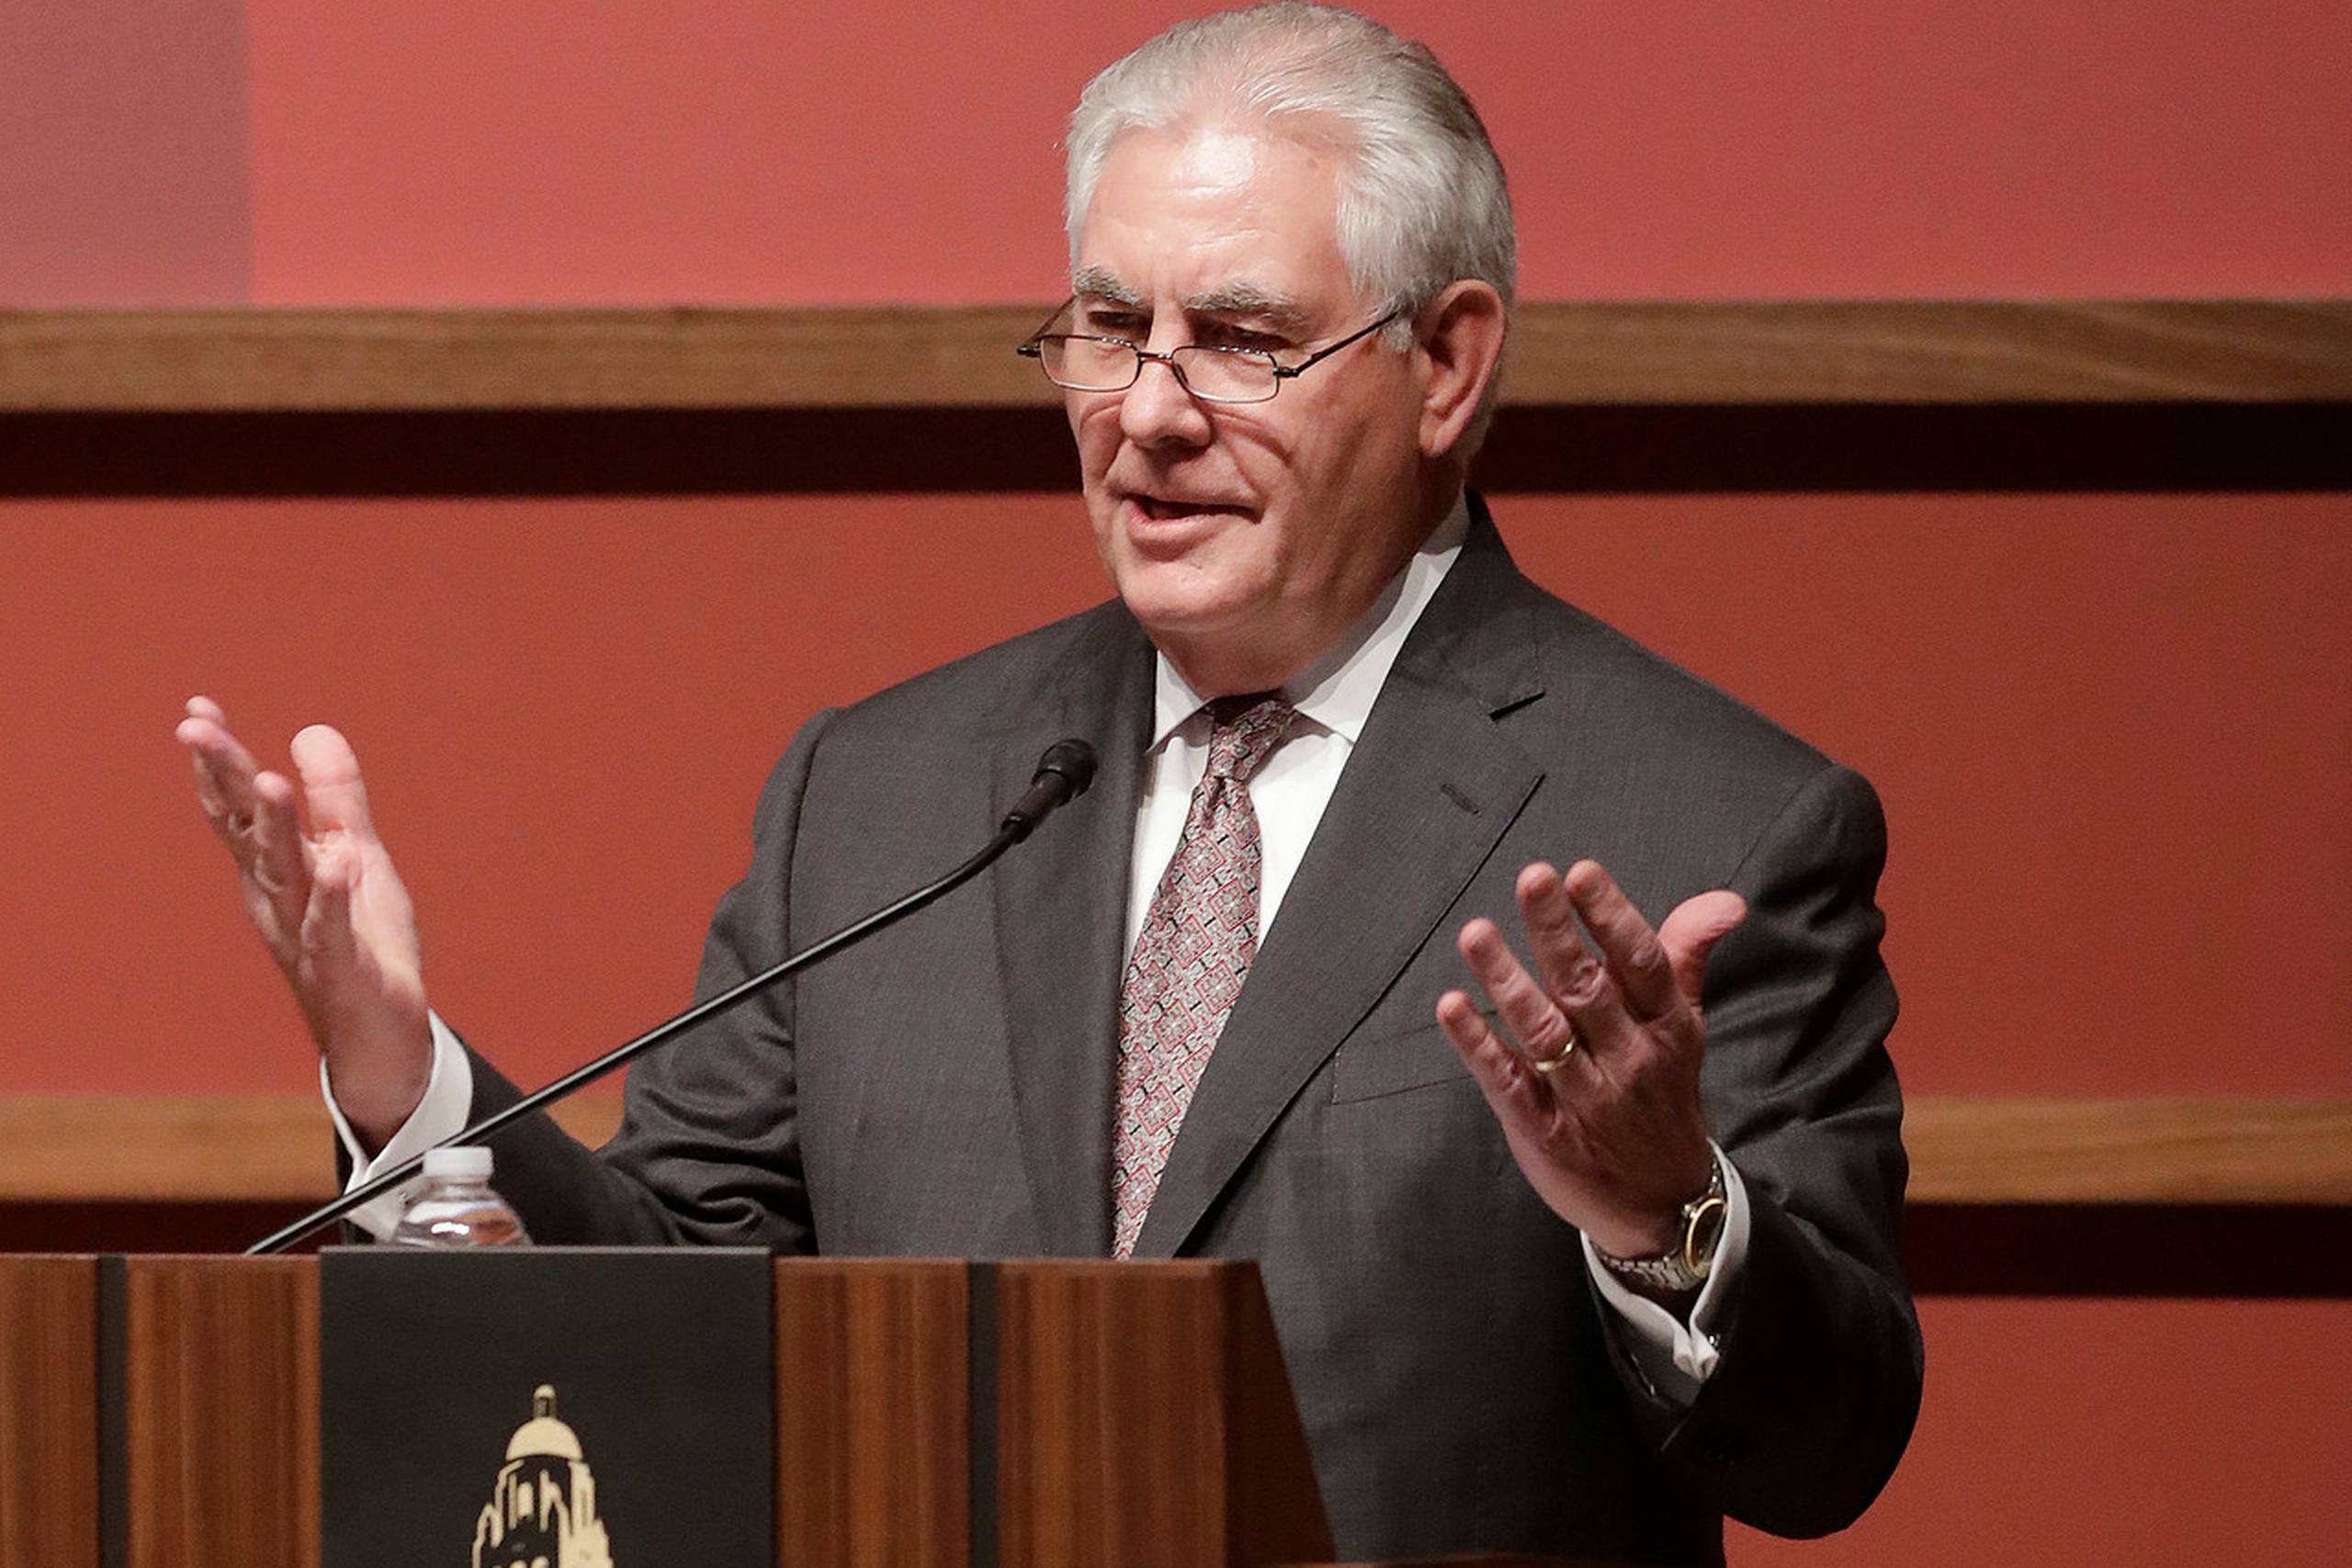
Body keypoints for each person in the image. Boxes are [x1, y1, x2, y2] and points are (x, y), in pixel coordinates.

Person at [177, 6, 1921, 1561]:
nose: (1148, 413)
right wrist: (402, 1072)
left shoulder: (1706, 820)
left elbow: (1830, 1449)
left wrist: (1665, 1211)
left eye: (1241, 338)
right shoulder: (879, 792)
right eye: (1107, 325)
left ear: (1447, 364)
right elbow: (665, 1310)